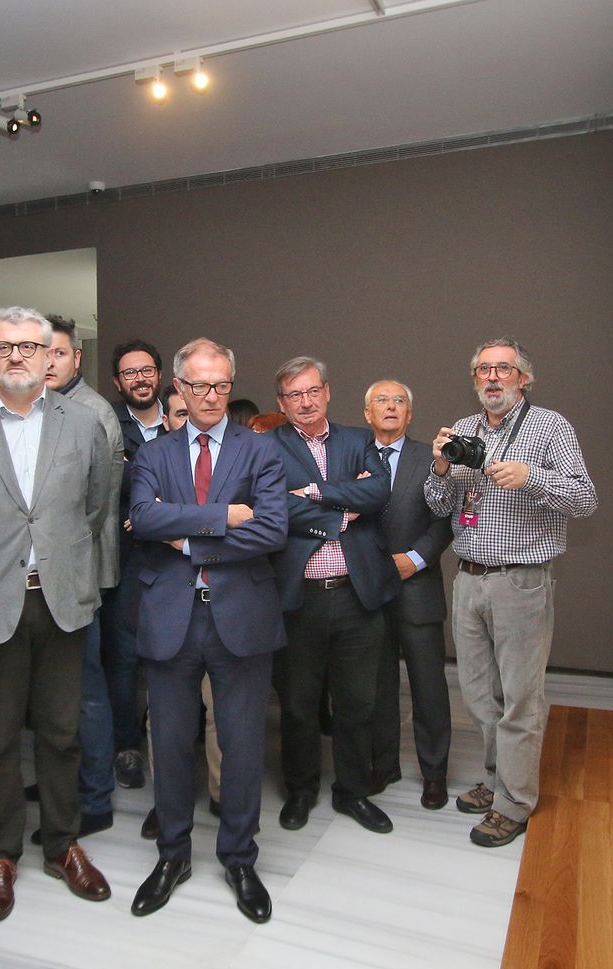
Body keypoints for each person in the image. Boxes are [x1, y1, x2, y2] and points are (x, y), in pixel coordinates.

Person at [0, 306, 113, 923]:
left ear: (49, 355)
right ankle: (0, 854)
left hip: (62, 595)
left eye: (30, 347)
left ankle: (63, 845)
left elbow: (93, 508)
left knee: (64, 734)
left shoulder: (84, 423)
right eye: (4, 347)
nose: (18, 356)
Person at [127, 338, 288, 923]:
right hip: (170, 616)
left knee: (242, 747)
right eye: (199, 385)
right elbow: (144, 518)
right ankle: (172, 855)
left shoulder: (260, 450)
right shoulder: (155, 452)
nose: (212, 395)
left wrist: (191, 538)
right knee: (168, 746)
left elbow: (272, 530)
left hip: (241, 617)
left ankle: (240, 858)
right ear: (180, 389)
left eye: (221, 384)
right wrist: (223, 518)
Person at [425, 338, 596, 848]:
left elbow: (585, 498)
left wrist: (532, 477)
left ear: (524, 378)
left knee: (521, 698)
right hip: (469, 576)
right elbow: (438, 506)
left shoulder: (550, 428)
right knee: (479, 694)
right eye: (484, 370)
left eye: (504, 369)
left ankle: (515, 803)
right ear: (474, 379)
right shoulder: (464, 430)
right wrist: (439, 467)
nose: (493, 377)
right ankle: (501, 779)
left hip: (521, 579)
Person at [269, 356, 397, 835]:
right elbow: (274, 508)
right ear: (281, 403)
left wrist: (314, 494)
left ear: (326, 392)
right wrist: (342, 506)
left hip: (356, 594)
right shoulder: (267, 448)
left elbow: (379, 492)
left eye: (311, 391)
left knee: (357, 703)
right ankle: (301, 791)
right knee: (300, 705)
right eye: (293, 395)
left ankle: (353, 792)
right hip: (300, 597)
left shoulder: (358, 439)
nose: (305, 402)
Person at [42, 315, 126, 839]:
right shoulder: (38, 409)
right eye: (40, 352)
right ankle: (62, 781)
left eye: (59, 353)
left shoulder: (91, 413)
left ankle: (95, 796)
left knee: (86, 689)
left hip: (80, 577)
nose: (47, 362)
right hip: (45, 578)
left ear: (77, 358)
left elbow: (96, 508)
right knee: (53, 691)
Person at [365, 380, 456, 809]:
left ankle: (434, 773)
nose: (391, 407)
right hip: (367, 590)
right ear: (367, 414)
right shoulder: (353, 456)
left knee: (428, 686)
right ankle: (383, 765)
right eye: (381, 401)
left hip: (417, 586)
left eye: (400, 401)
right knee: (378, 685)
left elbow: (445, 518)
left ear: (410, 414)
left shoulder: (432, 459)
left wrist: (415, 560)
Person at [106, 339, 167, 789]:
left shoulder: (182, 419)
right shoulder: (105, 424)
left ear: (160, 376)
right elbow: (107, 480)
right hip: (125, 560)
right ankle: (127, 746)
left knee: (175, 655)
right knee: (123, 657)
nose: (140, 379)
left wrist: (145, 500)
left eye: (147, 371)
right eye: (130, 373)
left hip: (178, 557)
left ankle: (168, 746)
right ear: (117, 382)